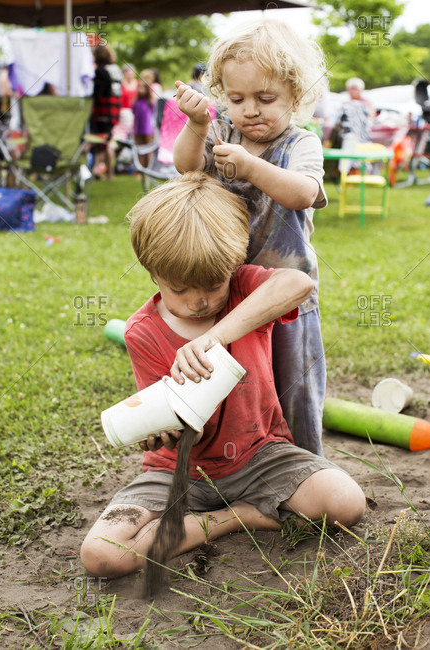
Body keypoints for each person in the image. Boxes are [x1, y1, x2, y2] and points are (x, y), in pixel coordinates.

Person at [80, 172, 366, 579]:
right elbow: (163, 413)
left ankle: (232, 512)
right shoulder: (141, 332)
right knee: (102, 556)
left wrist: (215, 336)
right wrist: (159, 429)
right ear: (152, 271)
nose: (199, 301)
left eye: (213, 285)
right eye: (180, 289)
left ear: (233, 265)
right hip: (178, 471)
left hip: (261, 455)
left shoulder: (245, 293)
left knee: (345, 503)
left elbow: (298, 283)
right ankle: (236, 517)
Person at [173, 19, 328, 456]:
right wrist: (199, 125)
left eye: (266, 98)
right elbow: (186, 166)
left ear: (295, 97)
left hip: (287, 296)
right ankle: (242, 463)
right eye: (237, 99)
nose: (251, 110)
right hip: (230, 291)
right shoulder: (223, 131)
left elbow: (302, 194)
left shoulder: (301, 144)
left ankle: (306, 465)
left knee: (293, 385)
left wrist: (251, 167)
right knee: (236, 385)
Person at [90, 44, 123, 179]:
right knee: (107, 141)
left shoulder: (101, 71)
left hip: (102, 111)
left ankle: (97, 171)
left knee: (99, 142)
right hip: (114, 111)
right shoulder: (116, 69)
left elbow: (98, 94)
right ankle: (109, 173)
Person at [133, 77, 155, 168]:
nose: (140, 89)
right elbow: (134, 113)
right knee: (139, 150)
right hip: (138, 129)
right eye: (139, 87)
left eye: (143, 87)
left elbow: (153, 115)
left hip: (148, 129)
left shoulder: (150, 102)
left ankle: (148, 168)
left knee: (148, 150)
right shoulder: (136, 102)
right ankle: (140, 169)